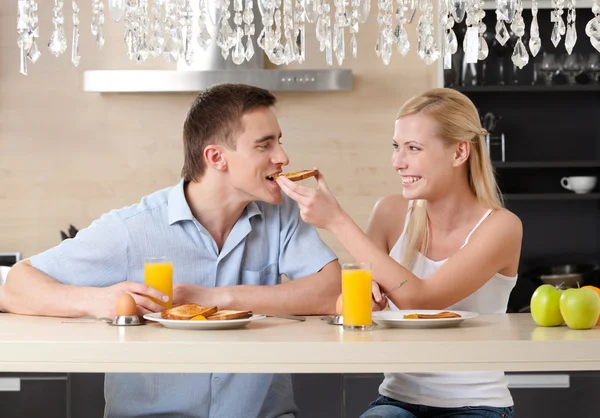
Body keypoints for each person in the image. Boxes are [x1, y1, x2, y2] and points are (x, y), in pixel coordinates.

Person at [0, 83, 341, 418]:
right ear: (216, 157)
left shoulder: (281, 216)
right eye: (264, 145)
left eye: (279, 142)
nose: (282, 157)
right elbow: (17, 284)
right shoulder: (133, 228)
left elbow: (332, 291)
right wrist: (95, 300)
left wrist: (215, 298)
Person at [277, 88, 522, 418]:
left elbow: (422, 300)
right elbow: (351, 302)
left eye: (413, 148)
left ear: (460, 152)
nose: (397, 162)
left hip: (477, 404)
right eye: (396, 147)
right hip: (397, 400)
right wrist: (365, 299)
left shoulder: (502, 227)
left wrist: (336, 220)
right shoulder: (391, 213)